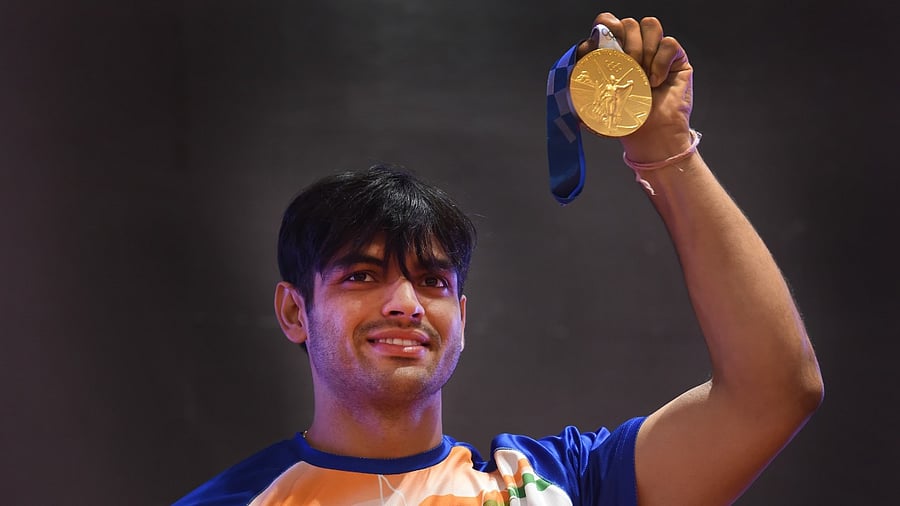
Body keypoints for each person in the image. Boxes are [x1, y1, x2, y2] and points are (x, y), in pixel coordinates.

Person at [173, 11, 823, 506]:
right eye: (362, 275)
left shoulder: (555, 486)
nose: (404, 304)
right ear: (294, 310)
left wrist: (669, 152)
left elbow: (776, 392)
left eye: (429, 280)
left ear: (460, 314)